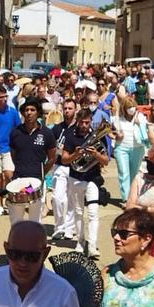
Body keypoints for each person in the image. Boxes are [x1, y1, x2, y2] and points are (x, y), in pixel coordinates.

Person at [60, 109, 110, 259]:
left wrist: (96, 155)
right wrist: (76, 154)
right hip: (75, 178)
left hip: (92, 178)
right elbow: (64, 160)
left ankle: (92, 245)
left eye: (87, 122)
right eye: (81, 122)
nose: (84, 125)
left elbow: (106, 160)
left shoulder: (97, 137)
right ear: (78, 121)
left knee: (93, 212)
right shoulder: (70, 137)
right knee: (78, 212)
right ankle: (81, 241)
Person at [8, 98, 56, 224]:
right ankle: (17, 243)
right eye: (26, 110)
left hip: (36, 184)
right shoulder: (15, 132)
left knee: (35, 220)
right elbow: (13, 155)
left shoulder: (47, 133)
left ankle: (35, 243)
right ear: (23, 113)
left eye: (32, 110)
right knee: (16, 219)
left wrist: (41, 174)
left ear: (38, 113)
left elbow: (51, 158)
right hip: (18, 181)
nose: (29, 112)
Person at [111, 96, 148, 201]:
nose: (131, 109)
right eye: (128, 107)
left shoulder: (140, 117)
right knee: (123, 173)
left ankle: (133, 197)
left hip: (137, 149)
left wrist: (139, 123)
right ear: (124, 108)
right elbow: (109, 131)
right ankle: (126, 199)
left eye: (132, 106)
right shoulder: (118, 119)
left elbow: (146, 131)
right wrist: (116, 136)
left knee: (134, 174)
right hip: (122, 148)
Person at [50, 98, 77, 239]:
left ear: (75, 110)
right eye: (65, 108)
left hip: (75, 167)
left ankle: (69, 228)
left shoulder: (80, 128)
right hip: (59, 166)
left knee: (72, 199)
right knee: (58, 198)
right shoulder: (57, 128)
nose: (67, 111)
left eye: (70, 108)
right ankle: (59, 226)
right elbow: (50, 148)